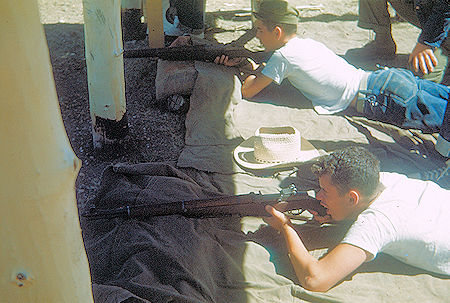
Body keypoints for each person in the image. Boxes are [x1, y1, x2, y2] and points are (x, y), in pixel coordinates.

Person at [214, 0, 450, 169]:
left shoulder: (283, 57)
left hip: (379, 98)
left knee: (443, 122)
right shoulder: (307, 44)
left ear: (276, 31)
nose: (257, 37)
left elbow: (249, 90)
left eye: (259, 30)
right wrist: (248, 63)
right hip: (385, 81)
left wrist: (237, 67)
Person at [263, 146, 450, 292]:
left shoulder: (377, 223)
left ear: (352, 198)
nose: (318, 196)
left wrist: (286, 227)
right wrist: (336, 214)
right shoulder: (385, 179)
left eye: (325, 192)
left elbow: (315, 280)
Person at [348, 0, 450, 84]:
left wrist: (427, 42)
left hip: (445, 24)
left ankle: (444, 53)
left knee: (419, 81)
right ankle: (382, 44)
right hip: (428, 12)